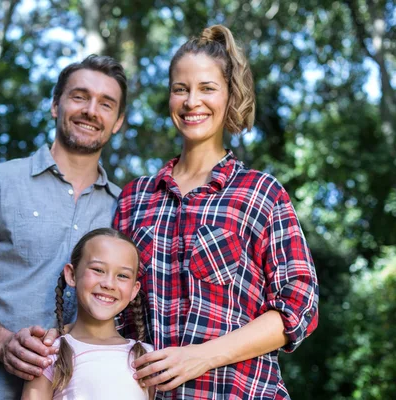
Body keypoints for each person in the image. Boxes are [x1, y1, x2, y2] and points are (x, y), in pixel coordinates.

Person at [113, 25, 319, 399]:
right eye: (181, 89)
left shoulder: (260, 194)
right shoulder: (134, 200)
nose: (193, 101)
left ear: (229, 96)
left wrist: (201, 357)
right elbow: (111, 313)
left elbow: (300, 304)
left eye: (207, 88)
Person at [0, 55, 127, 399]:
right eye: (79, 97)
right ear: (55, 104)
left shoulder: (126, 208)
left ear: (118, 122)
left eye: (106, 104)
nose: (91, 111)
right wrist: (4, 344)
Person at [21, 228, 155, 400]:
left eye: (122, 275)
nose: (109, 284)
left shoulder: (146, 357)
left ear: (134, 290)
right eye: (98, 270)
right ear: (71, 275)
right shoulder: (50, 353)